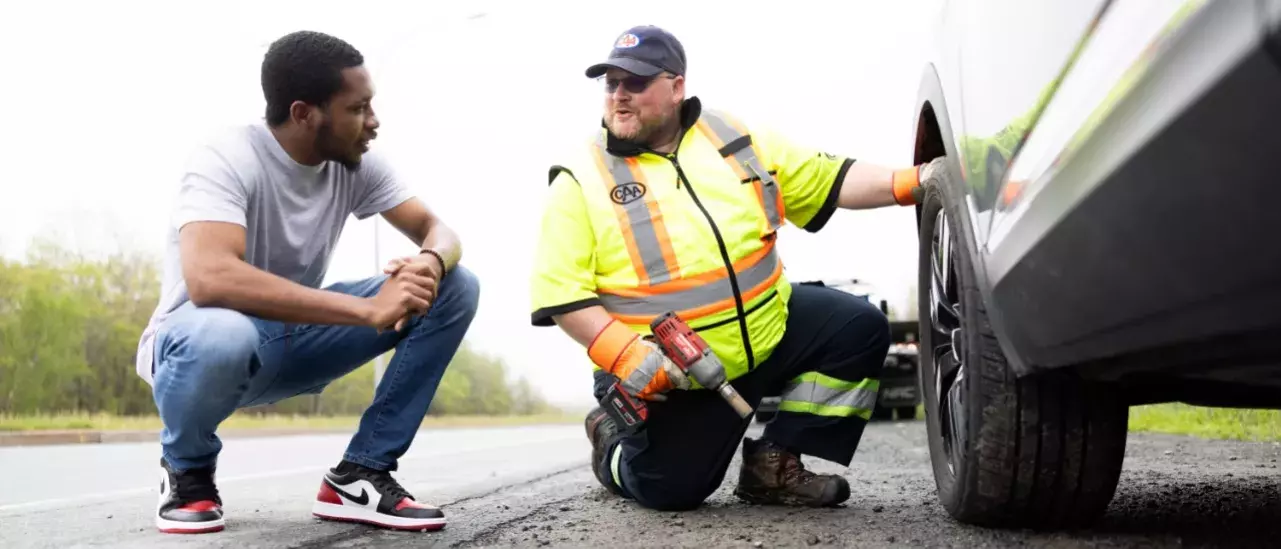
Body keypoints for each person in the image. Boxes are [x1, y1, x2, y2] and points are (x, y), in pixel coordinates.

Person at [528, 25, 941, 511]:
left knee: (859, 327)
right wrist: (627, 356)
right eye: (611, 83)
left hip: (771, 332)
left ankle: (773, 464)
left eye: (634, 83)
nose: (619, 96)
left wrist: (917, 180)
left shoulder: (732, 138)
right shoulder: (582, 176)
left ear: (676, 86)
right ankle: (611, 445)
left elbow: (830, 179)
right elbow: (561, 294)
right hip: (673, 374)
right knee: (671, 490)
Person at [135, 30, 480, 534]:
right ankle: (186, 471)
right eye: (358, 109)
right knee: (223, 334)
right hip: (198, 352)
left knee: (455, 285)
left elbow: (440, 230)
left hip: (291, 340)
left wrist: (430, 261)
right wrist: (366, 310)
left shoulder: (355, 161)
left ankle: (360, 474)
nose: (374, 122)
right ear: (304, 113)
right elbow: (211, 278)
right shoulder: (226, 155)